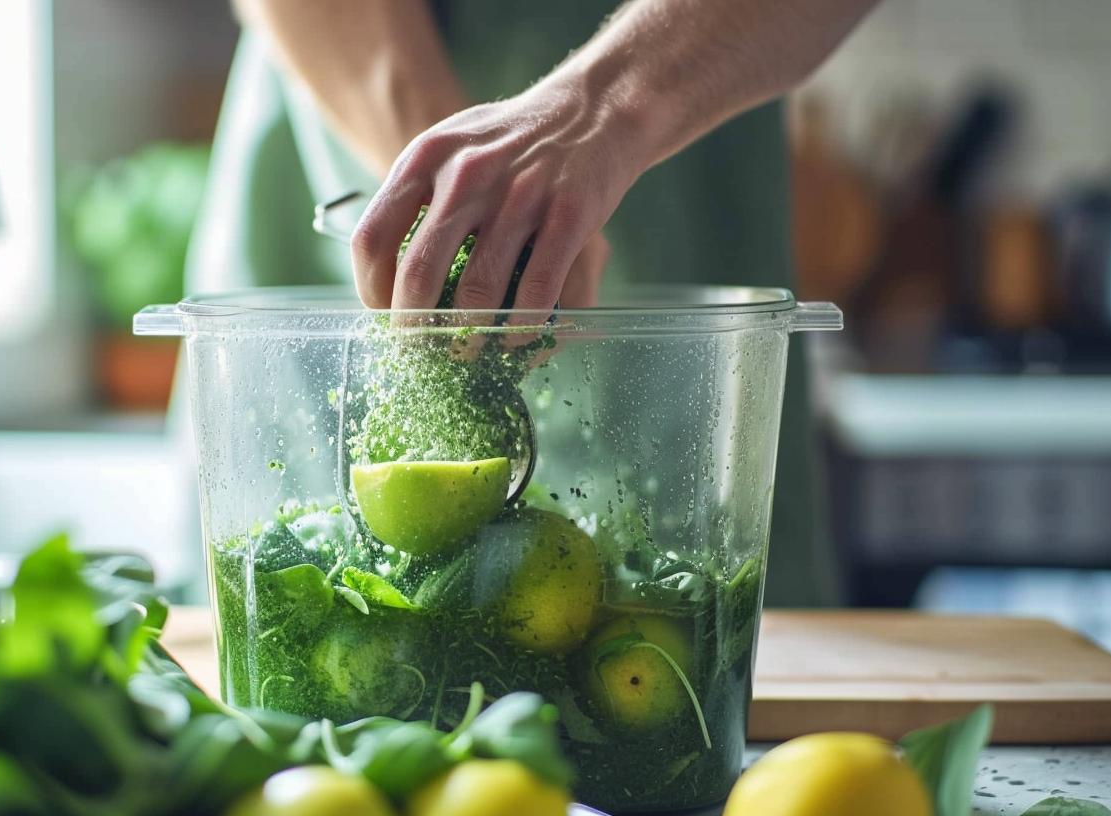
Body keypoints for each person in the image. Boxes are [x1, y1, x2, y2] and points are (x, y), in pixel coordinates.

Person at [187, 0, 876, 606]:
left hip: (687, 153)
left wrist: (604, 105)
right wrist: (456, 200)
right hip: (348, 120)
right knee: (319, 623)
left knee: (679, 637)